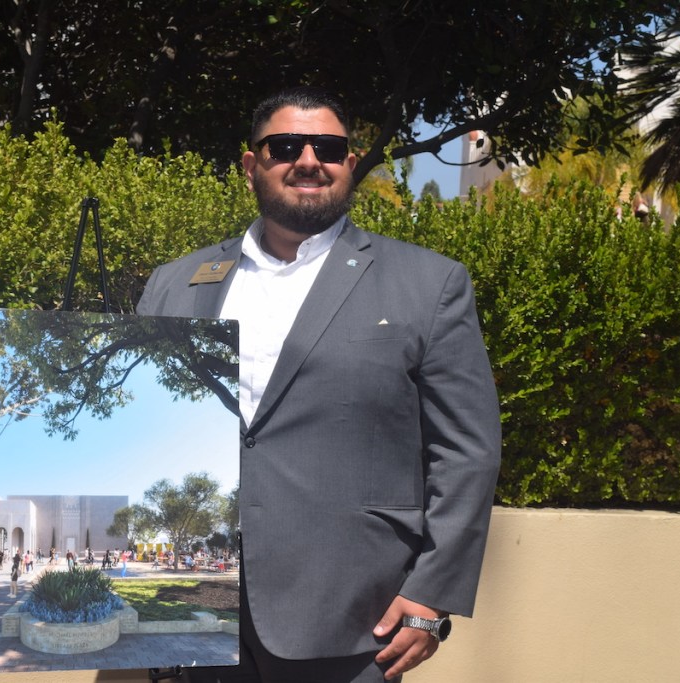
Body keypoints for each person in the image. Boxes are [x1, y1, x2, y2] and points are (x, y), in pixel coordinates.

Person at [137, 86, 501, 682]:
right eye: (285, 146)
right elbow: (146, 426)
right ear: (251, 165)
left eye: (328, 148)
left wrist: (433, 595)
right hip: (200, 613)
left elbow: (468, 452)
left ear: (349, 164)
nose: (308, 160)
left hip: (353, 615)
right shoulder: (174, 284)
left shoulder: (429, 283)